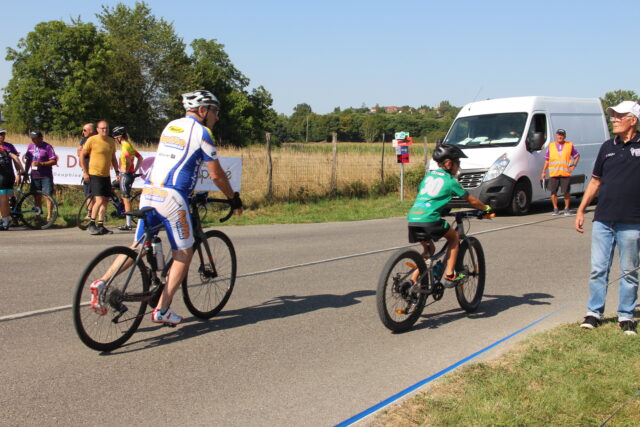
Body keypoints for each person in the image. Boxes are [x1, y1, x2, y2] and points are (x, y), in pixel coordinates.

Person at [90, 90, 243, 325]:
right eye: (215, 111)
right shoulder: (203, 132)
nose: (217, 117)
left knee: (138, 246)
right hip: (172, 197)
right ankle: (162, 309)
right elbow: (216, 174)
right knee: (184, 253)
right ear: (202, 110)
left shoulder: (171, 126)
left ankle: (102, 282)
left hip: (149, 193)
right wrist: (233, 198)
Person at [576, 100, 640, 336]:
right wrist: (581, 209)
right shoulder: (606, 147)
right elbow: (595, 181)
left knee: (629, 271)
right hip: (603, 219)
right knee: (598, 269)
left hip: (632, 221)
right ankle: (594, 313)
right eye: (613, 115)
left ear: (633, 120)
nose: (613, 119)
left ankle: (626, 315)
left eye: (619, 116)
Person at [407, 144, 492, 288]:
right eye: (458, 163)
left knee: (429, 250)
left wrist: (442, 209)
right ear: (448, 164)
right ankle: (450, 275)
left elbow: (428, 196)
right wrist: (486, 208)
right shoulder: (451, 181)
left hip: (413, 219)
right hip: (430, 220)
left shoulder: (428, 177)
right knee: (454, 238)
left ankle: (411, 281)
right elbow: (470, 200)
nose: (459, 166)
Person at [79, 120, 119, 235]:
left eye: (106, 128)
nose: (105, 130)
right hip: (94, 174)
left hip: (106, 175)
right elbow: (82, 155)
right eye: (102, 128)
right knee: (99, 199)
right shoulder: (92, 140)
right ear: (97, 130)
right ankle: (91, 223)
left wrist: (117, 172)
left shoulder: (111, 141)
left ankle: (101, 225)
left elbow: (113, 158)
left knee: (105, 200)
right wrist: (85, 172)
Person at [540, 129, 580, 216]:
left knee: (566, 192)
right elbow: (547, 160)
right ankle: (555, 209)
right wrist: (543, 172)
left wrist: (573, 165)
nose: (560, 136)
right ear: (556, 136)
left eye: (562, 135)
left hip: (565, 173)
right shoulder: (551, 146)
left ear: (564, 136)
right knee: (553, 191)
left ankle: (566, 209)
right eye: (558, 135)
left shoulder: (569, 145)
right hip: (554, 173)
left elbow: (577, 156)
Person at [112, 126, 143, 231]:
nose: (115, 140)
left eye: (115, 138)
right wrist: (134, 169)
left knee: (126, 199)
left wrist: (125, 170)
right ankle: (120, 206)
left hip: (126, 175)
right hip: (128, 174)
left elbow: (128, 159)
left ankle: (128, 224)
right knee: (112, 186)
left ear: (119, 137)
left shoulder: (125, 146)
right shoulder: (129, 145)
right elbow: (140, 157)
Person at [23, 131, 57, 223]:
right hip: (34, 175)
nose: (33, 140)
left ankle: (49, 216)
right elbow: (28, 161)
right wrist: (26, 172)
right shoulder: (30, 146)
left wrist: (41, 163)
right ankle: (38, 215)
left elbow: (54, 161)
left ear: (40, 138)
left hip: (46, 175)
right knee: (36, 196)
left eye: (35, 138)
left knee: (48, 195)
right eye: (32, 138)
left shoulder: (47, 147)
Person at [0, 129, 25, 230]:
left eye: (3, 134)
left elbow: (15, 158)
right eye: (0, 134)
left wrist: (19, 172)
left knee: (4, 199)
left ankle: (5, 222)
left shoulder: (8, 146)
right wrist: (22, 170)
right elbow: (15, 157)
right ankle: (7, 220)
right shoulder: (6, 149)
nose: (2, 136)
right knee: (7, 199)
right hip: (7, 175)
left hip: (4, 176)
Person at [77, 123, 97, 212]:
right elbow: (78, 152)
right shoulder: (84, 140)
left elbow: (95, 152)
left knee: (99, 194)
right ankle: (89, 213)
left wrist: (84, 151)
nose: (83, 132)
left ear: (91, 131)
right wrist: (83, 151)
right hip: (87, 170)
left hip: (96, 169)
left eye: (85, 130)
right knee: (88, 193)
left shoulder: (97, 139)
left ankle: (98, 213)